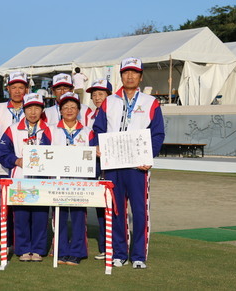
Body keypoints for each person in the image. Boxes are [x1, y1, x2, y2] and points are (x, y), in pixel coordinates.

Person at [93, 57, 165, 269]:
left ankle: (139, 256)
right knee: (116, 211)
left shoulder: (150, 102)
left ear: (140, 76)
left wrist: (147, 158)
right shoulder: (109, 101)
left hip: (137, 167)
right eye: (126, 72)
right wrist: (100, 146)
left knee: (140, 211)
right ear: (121, 75)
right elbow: (98, 129)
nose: (130, 76)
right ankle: (119, 253)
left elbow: (158, 134)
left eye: (134, 72)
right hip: (113, 165)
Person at [41, 92, 97, 266]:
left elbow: (94, 157)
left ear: (78, 110)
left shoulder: (88, 132)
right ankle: (61, 250)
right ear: (60, 110)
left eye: (73, 107)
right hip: (57, 182)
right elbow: (43, 152)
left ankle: (77, 252)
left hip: (80, 182)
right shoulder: (51, 130)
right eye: (65, 107)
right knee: (59, 216)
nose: (69, 110)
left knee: (80, 217)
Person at [0, 93, 49, 262]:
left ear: (42, 110)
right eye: (29, 108)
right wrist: (16, 160)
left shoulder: (49, 129)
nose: (33, 112)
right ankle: (23, 249)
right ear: (24, 109)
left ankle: (38, 249)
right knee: (21, 216)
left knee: (40, 216)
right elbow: (3, 153)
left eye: (37, 108)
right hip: (19, 179)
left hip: (42, 179)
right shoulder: (12, 129)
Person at [85, 78, 113, 261]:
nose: (97, 98)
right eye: (94, 95)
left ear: (109, 96)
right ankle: (104, 247)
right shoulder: (88, 115)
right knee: (99, 208)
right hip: (93, 167)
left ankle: (114, 246)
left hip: (112, 166)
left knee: (112, 207)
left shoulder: (115, 114)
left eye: (101, 94)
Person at [0, 71, 29, 177]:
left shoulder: (32, 110)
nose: (17, 91)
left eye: (21, 88)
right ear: (8, 88)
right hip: (2, 167)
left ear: (26, 89)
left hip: (26, 165)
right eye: (14, 87)